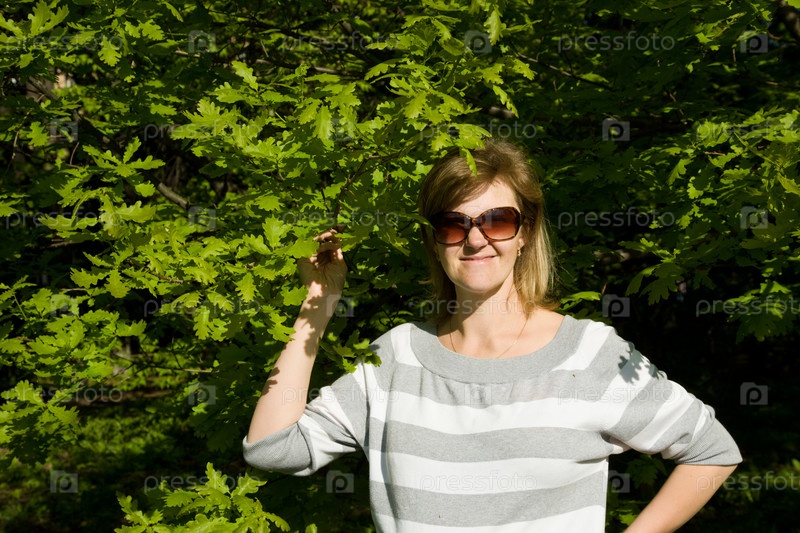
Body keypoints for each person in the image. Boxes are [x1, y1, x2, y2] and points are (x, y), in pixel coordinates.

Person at [244, 140, 742, 532]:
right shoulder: (394, 358)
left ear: (526, 233)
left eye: (497, 220)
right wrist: (318, 302)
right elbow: (272, 448)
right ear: (433, 240)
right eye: (453, 224)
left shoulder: (591, 355)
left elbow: (711, 451)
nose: (476, 239)